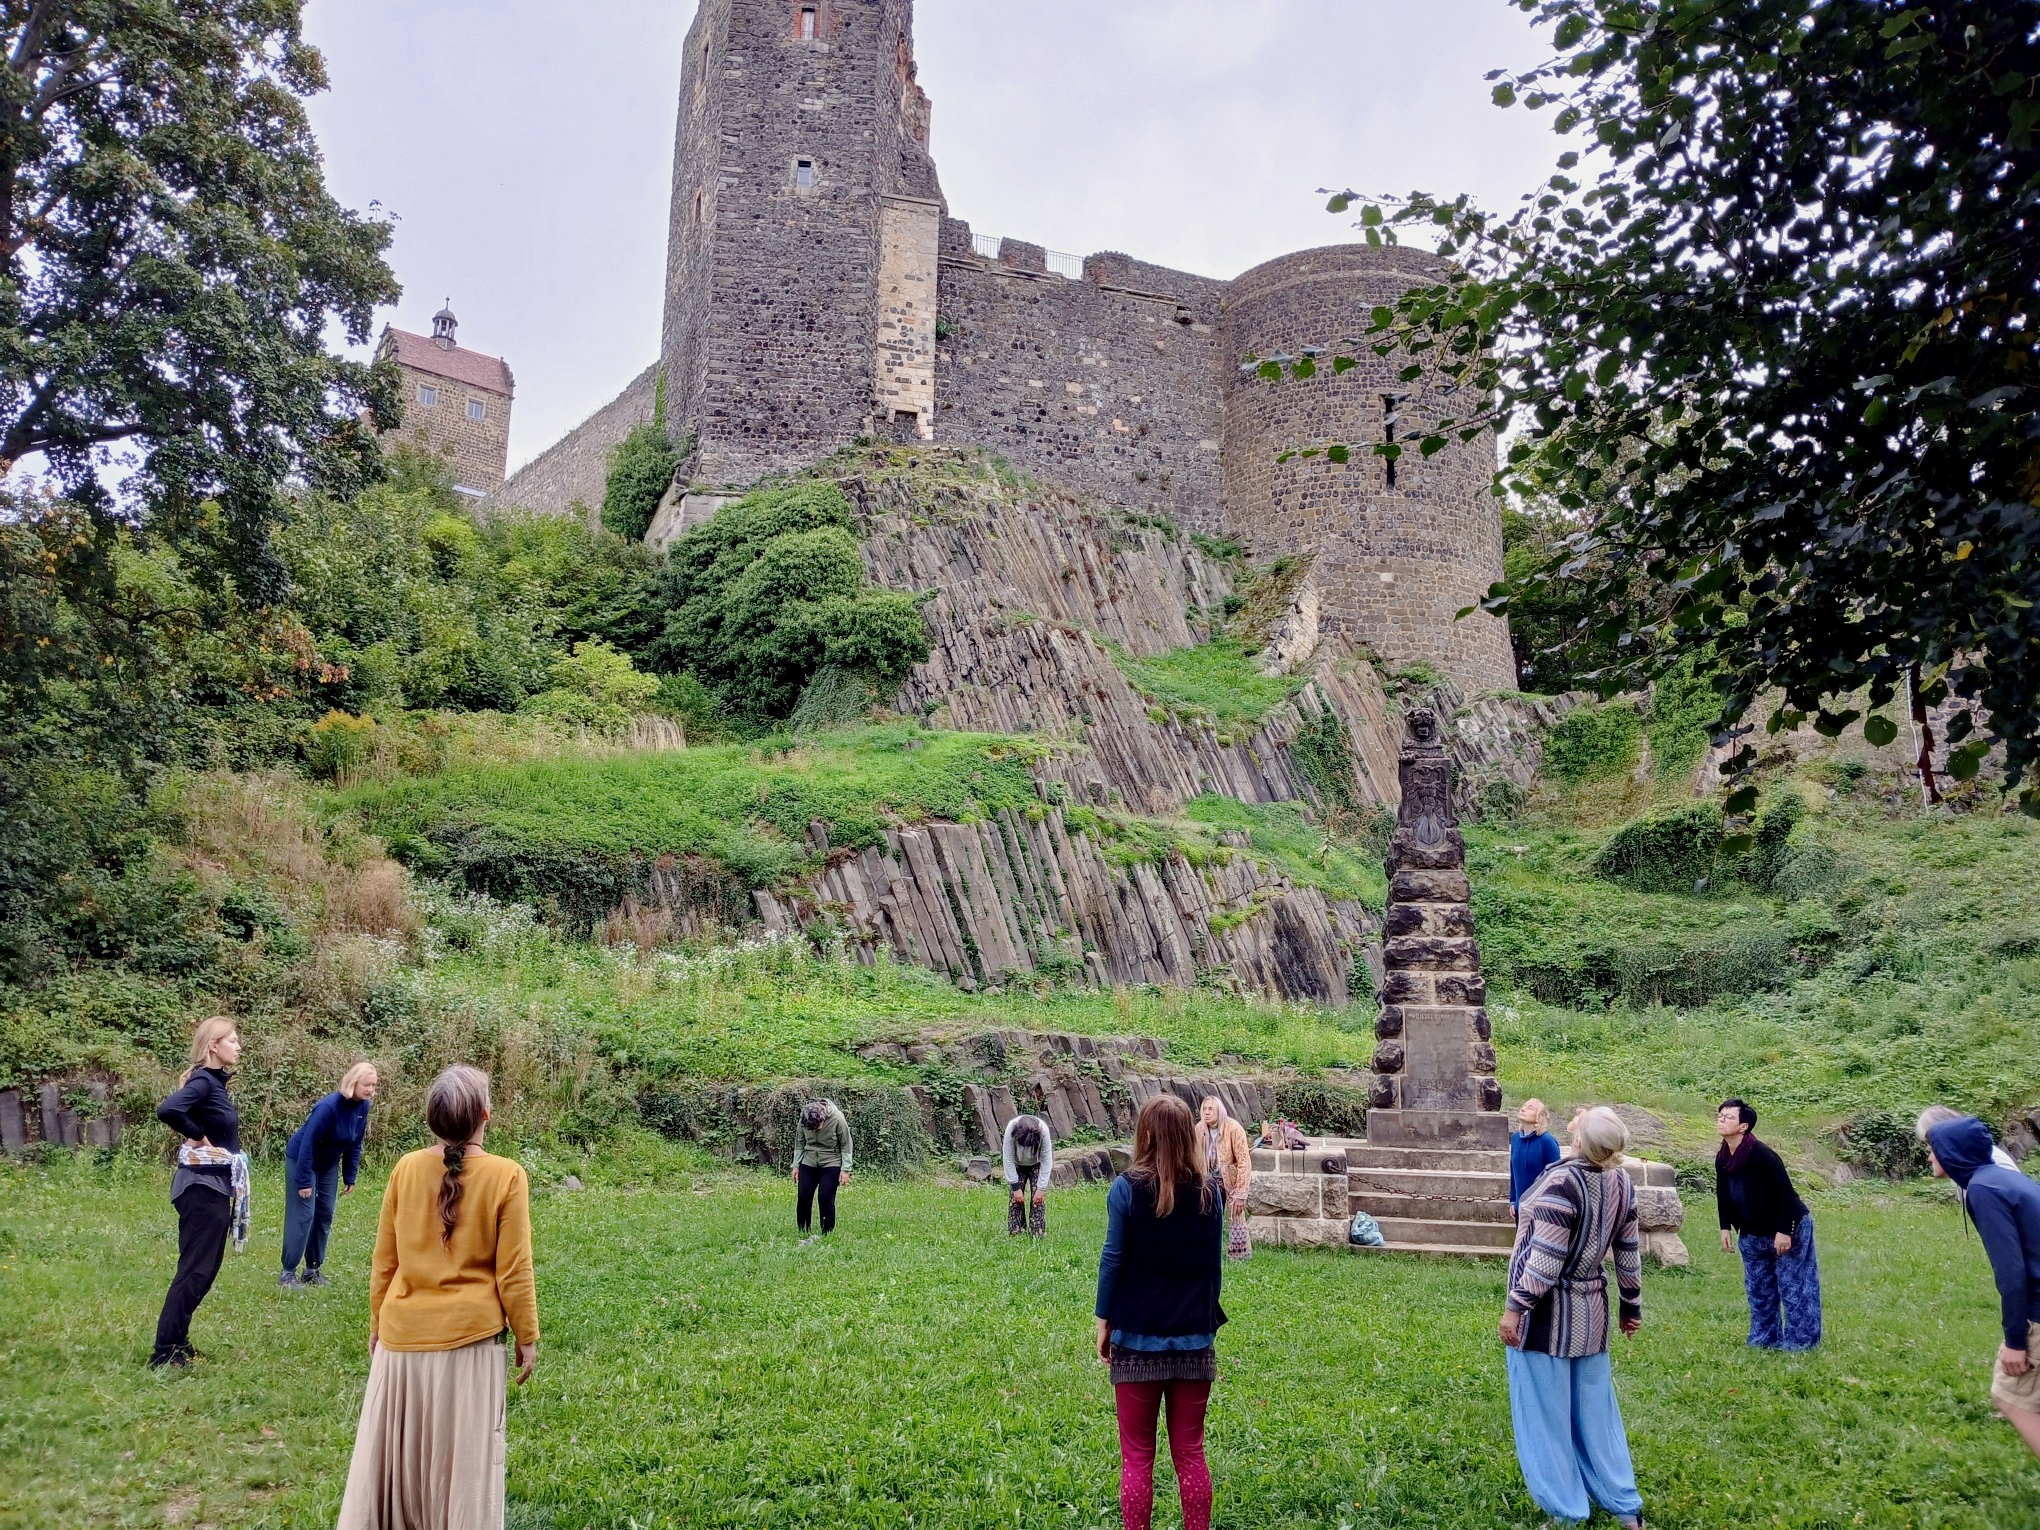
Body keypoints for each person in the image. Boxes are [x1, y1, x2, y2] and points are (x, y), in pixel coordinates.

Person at [338, 1064, 537, 1530]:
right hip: (470, 1345)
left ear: (432, 1121)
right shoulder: (507, 1176)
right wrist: (527, 1335)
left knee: (399, 1472)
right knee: (461, 1475)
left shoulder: (406, 1168)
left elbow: (385, 1261)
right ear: (486, 1114)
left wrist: (377, 1324)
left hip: (400, 1343)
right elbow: (514, 1270)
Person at [1501, 1105, 1646, 1530]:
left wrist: (1514, 1309)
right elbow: (1628, 1251)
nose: (1577, 1116)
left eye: (1585, 1118)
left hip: (1546, 1319)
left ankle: (1567, 1511)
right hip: (1594, 1314)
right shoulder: (1620, 1179)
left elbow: (1544, 1261)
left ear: (1582, 1141)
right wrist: (1630, 1305)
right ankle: (1624, 1506)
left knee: (1547, 1416)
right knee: (1597, 1415)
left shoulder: (1564, 1182)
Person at [1095, 1094, 1225, 1530]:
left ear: (1145, 1133)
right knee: (1190, 1454)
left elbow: (1113, 1259)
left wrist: (1102, 1319)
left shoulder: (1126, 1188)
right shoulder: (1211, 1191)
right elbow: (1214, 1269)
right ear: (1189, 1132)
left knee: (1136, 1458)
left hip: (1134, 1339)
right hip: (1194, 1338)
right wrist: (1204, 1323)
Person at [1920, 1110, 2040, 1462]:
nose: (1928, 1156)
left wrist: (2016, 1342)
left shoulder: (1984, 1190)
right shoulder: (2003, 1179)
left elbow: (2012, 1272)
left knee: (2009, 1397)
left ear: (1952, 1152)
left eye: (1933, 1148)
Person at [150, 1016, 249, 1368]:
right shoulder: (205, 1081)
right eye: (233, 1041)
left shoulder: (214, 1084)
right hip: (201, 1188)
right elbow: (168, 1109)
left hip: (212, 1186)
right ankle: (164, 1352)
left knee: (203, 1271)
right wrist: (197, 1134)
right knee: (195, 1270)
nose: (238, 1046)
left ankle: (179, 1342)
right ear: (214, 1046)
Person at [1715, 1097, 1821, 1350]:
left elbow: (1786, 1195)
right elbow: (1722, 1192)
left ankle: (1801, 1344)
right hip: (1752, 1232)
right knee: (1759, 1289)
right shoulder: (1723, 1156)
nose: (1721, 1119)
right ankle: (1764, 1340)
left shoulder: (1762, 1155)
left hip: (1786, 1227)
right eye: (1719, 1115)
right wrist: (1725, 1227)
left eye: (1729, 1117)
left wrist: (1785, 1231)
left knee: (1794, 1286)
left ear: (1744, 1127)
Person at [281, 1061, 379, 1288]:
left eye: (374, 1086)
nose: (371, 1091)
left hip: (328, 1164)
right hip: (302, 1160)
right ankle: (287, 1273)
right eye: (367, 1085)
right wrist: (304, 1180)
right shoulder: (328, 1107)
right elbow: (307, 1143)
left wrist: (350, 1176)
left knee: (325, 1212)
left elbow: (355, 1143)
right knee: (304, 1214)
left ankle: (312, 1270)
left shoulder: (363, 1107)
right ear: (353, 1082)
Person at [789, 1097, 852, 1242]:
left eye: (818, 1126)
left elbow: (846, 1145)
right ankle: (803, 1230)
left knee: (825, 1198)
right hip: (809, 1161)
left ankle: (827, 1232)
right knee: (803, 1196)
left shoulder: (838, 1119)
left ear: (823, 1117)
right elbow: (799, 1143)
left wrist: (845, 1170)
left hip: (831, 1162)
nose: (815, 1129)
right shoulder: (804, 1118)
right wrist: (796, 1166)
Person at [1199, 1095, 1253, 1259]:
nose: (1207, 1113)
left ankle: (1239, 1256)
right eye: (1204, 1109)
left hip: (1230, 1179)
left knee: (1236, 1215)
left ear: (1219, 1111)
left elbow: (1244, 1160)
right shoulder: (1199, 1129)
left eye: (1211, 1109)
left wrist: (1241, 1192)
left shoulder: (1233, 1128)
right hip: (1207, 1180)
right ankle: (1205, 1253)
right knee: (1205, 1216)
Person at [1510, 1098, 1563, 1220]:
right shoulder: (1515, 1139)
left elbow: (1555, 1176)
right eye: (1523, 1106)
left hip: (1540, 1209)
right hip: (1520, 1207)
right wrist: (1513, 1200)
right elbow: (1514, 1173)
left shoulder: (1547, 1141)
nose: (1523, 1109)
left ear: (1539, 1116)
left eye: (1530, 1108)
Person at [1003, 1112, 1054, 1236]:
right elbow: (1008, 1158)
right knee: (1016, 1199)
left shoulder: (1044, 1131)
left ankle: (1037, 1233)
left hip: (1037, 1163)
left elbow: (1047, 1161)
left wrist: (1041, 1189)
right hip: (1017, 1163)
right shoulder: (1011, 1128)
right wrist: (1016, 1187)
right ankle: (1016, 1233)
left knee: (1038, 1200)